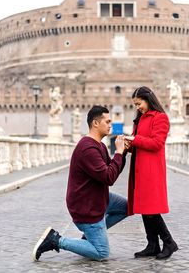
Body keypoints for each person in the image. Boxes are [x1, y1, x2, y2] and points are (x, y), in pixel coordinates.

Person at [33, 105, 127, 262]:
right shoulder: (87, 148)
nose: (111, 124)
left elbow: (112, 169)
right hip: (86, 206)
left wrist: (122, 154)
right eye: (108, 121)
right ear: (95, 123)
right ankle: (55, 240)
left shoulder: (100, 145)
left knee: (127, 207)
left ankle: (93, 235)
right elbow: (108, 178)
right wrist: (118, 152)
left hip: (98, 198)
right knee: (102, 252)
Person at [124, 86, 178, 260]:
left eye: (139, 103)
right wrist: (128, 144)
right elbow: (138, 144)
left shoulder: (160, 118)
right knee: (144, 208)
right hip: (139, 169)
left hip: (152, 170)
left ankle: (169, 242)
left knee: (151, 209)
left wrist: (135, 139)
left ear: (148, 99)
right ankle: (152, 244)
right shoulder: (138, 120)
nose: (137, 107)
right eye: (135, 105)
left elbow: (156, 143)